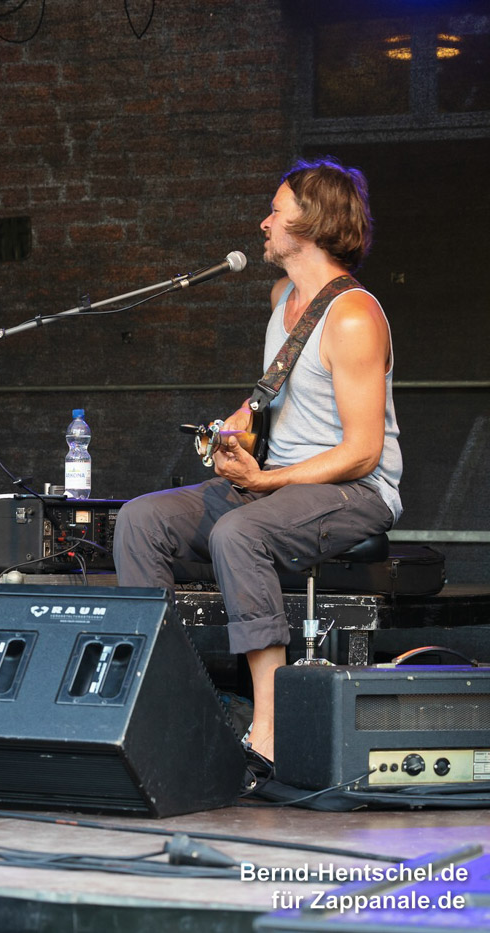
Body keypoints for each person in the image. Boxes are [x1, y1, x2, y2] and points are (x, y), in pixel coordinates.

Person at [113, 159, 402, 765]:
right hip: (280, 484)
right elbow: (271, 398)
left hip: (356, 491)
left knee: (239, 532)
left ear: (311, 222)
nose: (263, 223)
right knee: (140, 520)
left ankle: (268, 730)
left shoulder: (354, 316)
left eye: (275, 211)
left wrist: (265, 479)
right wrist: (237, 431)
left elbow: (362, 452)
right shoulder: (283, 298)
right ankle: (168, 704)